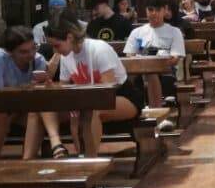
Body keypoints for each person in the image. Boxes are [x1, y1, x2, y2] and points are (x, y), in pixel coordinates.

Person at [44, 10, 143, 157]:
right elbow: (64, 87)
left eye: (57, 46)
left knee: (92, 109)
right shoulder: (65, 56)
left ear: (70, 37)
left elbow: (107, 90)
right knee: (52, 108)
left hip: (122, 97)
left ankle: (90, 159)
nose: (54, 51)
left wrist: (78, 102)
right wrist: (54, 89)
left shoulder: (98, 49)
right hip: (87, 100)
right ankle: (70, 152)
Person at [0, 26, 56, 160]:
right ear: (9, 51)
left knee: (38, 115)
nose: (31, 54)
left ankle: (27, 161)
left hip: (23, 105)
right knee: (0, 115)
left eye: (33, 48)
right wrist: (25, 89)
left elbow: (39, 95)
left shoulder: (38, 60)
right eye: (23, 52)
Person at [124, 0, 185, 111]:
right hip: (140, 69)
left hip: (165, 70)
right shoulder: (137, 32)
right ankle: (131, 108)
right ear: (146, 11)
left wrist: (154, 63)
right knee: (128, 75)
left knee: (151, 72)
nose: (154, 13)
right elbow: (130, 55)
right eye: (150, 10)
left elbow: (175, 58)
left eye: (157, 10)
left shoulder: (174, 32)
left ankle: (155, 110)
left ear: (164, 10)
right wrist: (145, 62)